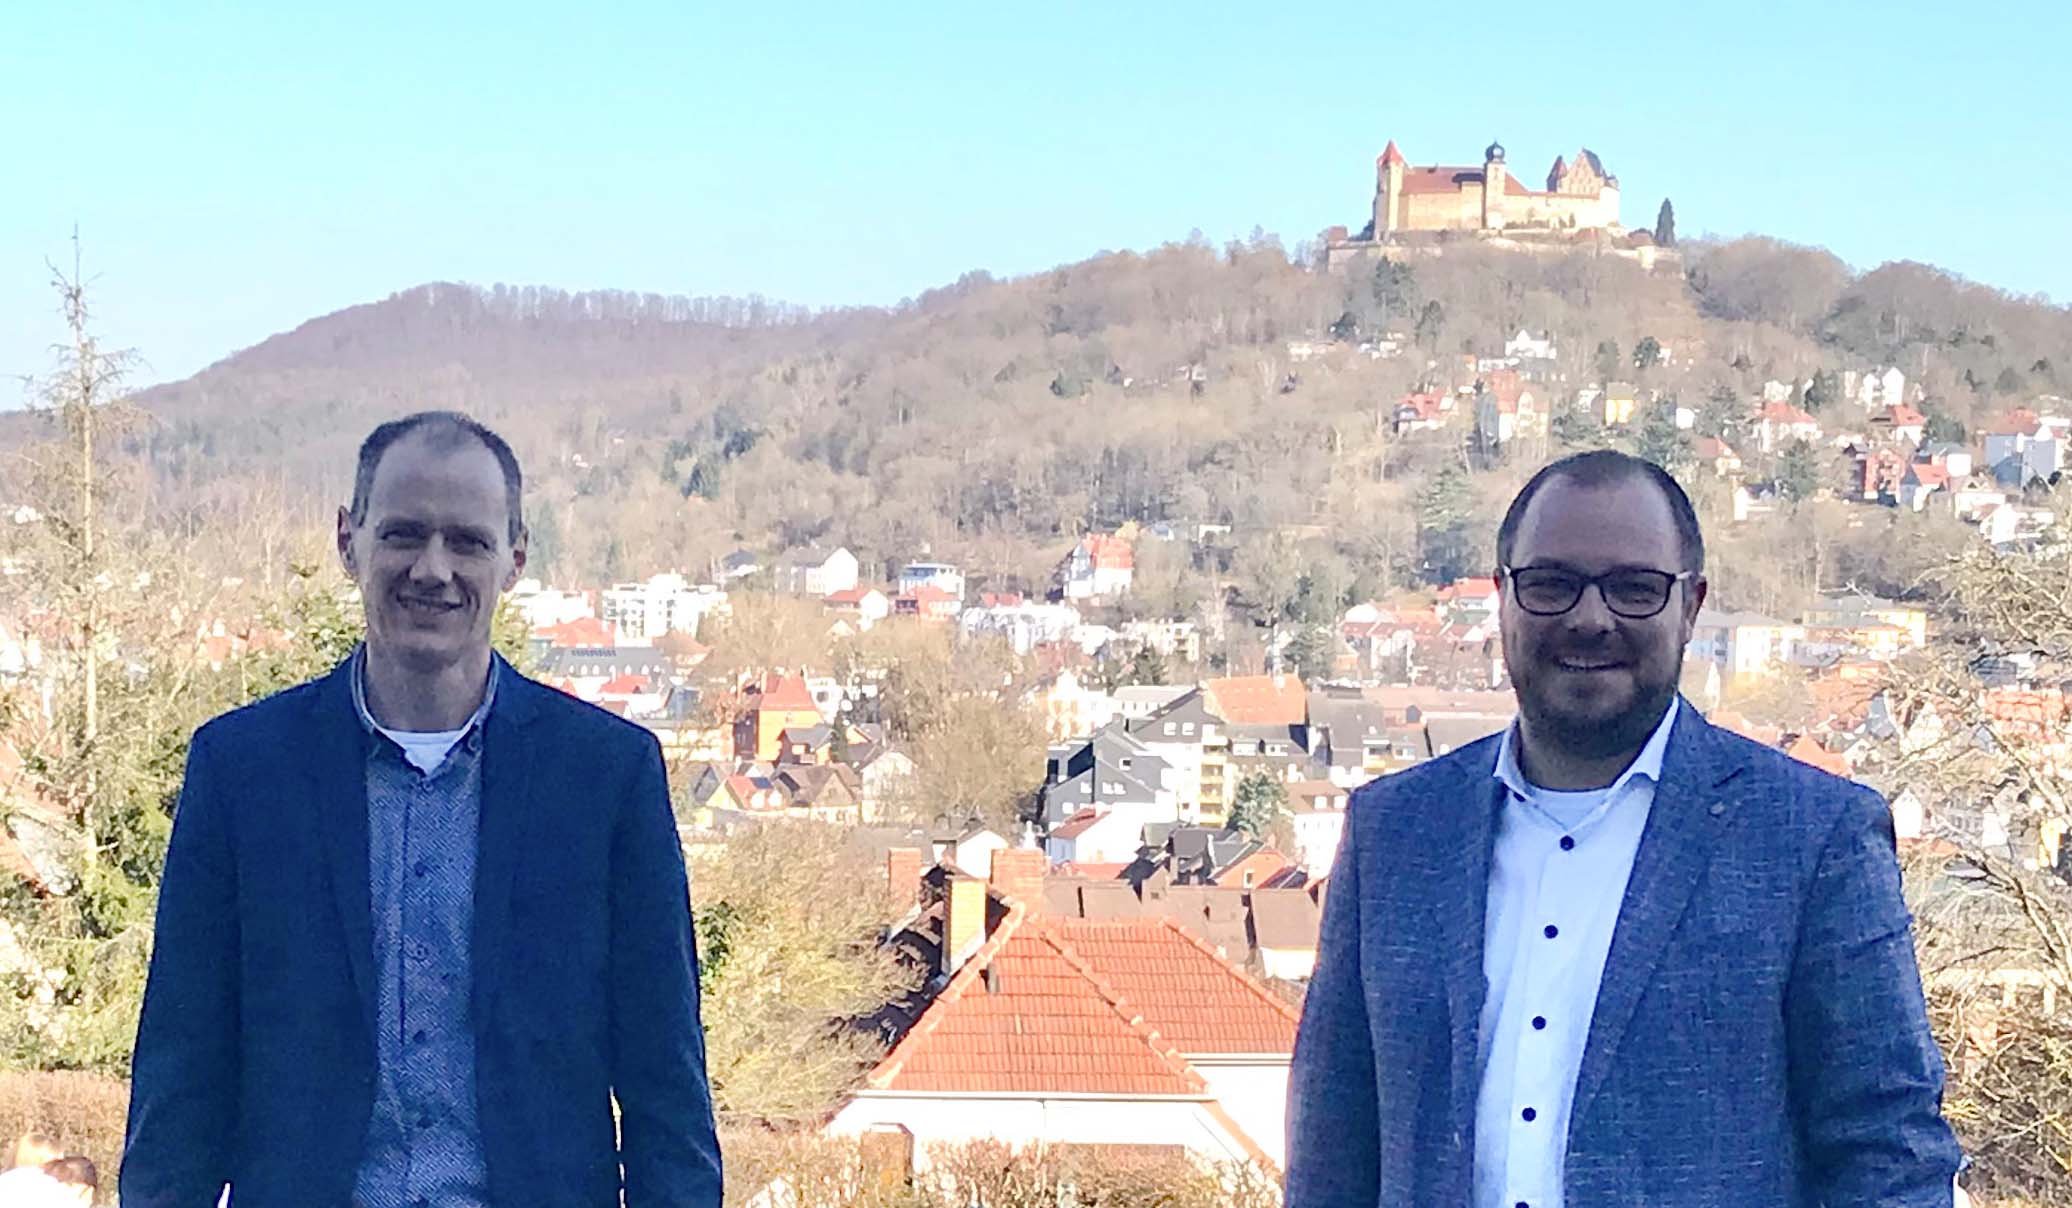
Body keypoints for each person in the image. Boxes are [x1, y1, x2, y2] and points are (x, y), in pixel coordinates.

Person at [1286, 449, 1961, 1206]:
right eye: (1552, 584)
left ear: (1692, 606)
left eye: (1634, 589)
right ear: (1502, 597)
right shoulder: (1396, 834)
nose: (1590, 618)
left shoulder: (1811, 840)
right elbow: (1330, 1153)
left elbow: (1889, 1156)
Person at [123, 411, 722, 1206]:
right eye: (404, 534)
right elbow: (182, 1073)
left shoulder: (607, 779)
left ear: (514, 559)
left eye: (467, 541)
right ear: (349, 540)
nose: (433, 569)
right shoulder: (242, 772)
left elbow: (665, 1085)